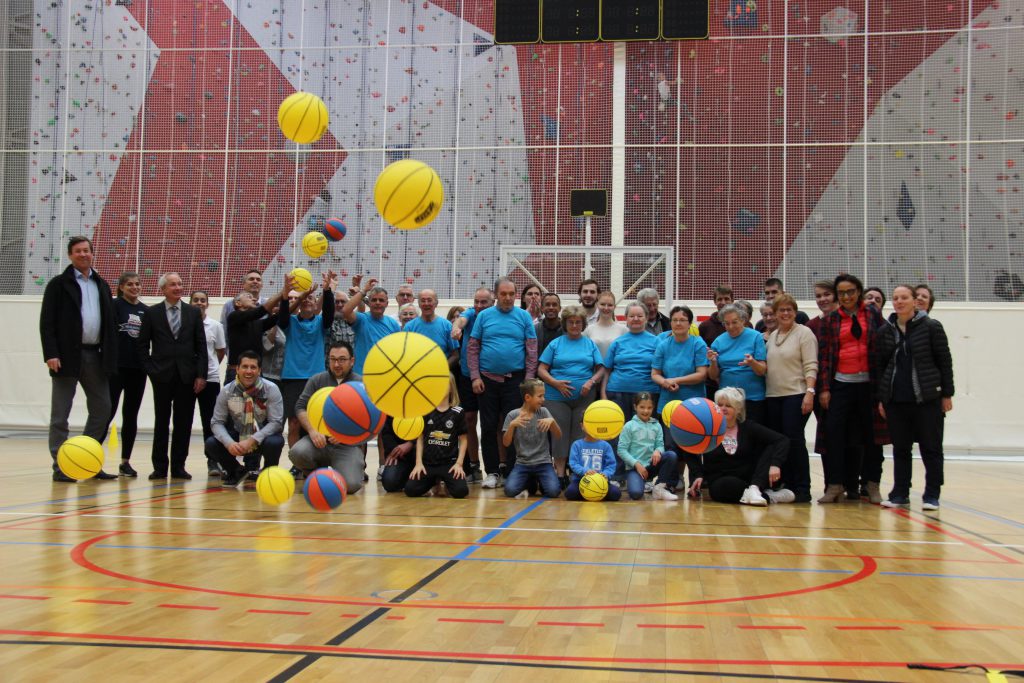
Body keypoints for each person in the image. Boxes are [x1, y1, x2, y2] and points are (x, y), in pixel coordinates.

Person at [40, 236, 118, 482]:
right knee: (60, 414)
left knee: (103, 408)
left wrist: (110, 356)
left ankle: (86, 460)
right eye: (78, 251)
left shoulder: (102, 284)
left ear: (92, 253)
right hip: (66, 357)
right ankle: (60, 466)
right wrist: (51, 353)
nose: (83, 254)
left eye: (86, 250)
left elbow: (110, 325)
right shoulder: (58, 284)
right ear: (70, 255)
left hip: (96, 355)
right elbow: (47, 322)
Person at [876, 285, 954, 510]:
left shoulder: (931, 327)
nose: (899, 302)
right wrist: (882, 398)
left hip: (927, 398)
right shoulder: (885, 331)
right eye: (895, 298)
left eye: (904, 298)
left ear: (914, 301)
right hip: (896, 400)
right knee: (900, 448)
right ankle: (900, 493)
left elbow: (944, 361)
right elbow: (881, 367)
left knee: (931, 448)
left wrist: (947, 393)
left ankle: (931, 495)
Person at [816, 274, 888, 504]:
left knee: (872, 438)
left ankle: (872, 484)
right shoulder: (831, 320)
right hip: (841, 386)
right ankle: (835, 485)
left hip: (869, 386)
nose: (846, 297)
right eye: (842, 293)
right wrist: (825, 388)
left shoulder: (873, 314)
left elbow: (883, 346)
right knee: (835, 435)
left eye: (850, 292)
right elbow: (825, 357)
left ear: (858, 291)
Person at [136, 272, 207, 480]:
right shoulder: (152, 313)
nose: (178, 287)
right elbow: (142, 346)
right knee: (161, 422)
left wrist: (201, 375)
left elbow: (201, 347)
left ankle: (178, 466)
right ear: (163, 289)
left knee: (183, 423)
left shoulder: (193, 313)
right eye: (173, 284)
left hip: (187, 376)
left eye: (180, 283)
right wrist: (150, 369)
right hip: (162, 376)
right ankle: (159, 466)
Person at [468, 277, 538, 488]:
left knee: (513, 427)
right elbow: (473, 348)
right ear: (496, 295)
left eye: (511, 294)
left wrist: (528, 380)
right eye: (503, 294)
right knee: (488, 427)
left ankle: (512, 471)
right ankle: (491, 472)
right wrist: (475, 376)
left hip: (515, 381)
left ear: (516, 295)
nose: (507, 298)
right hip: (486, 381)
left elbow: (532, 351)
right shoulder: (484, 316)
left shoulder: (524, 317)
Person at [684, 387, 791, 505]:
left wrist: (775, 464)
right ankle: (767, 497)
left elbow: (782, 440)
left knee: (770, 446)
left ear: (738, 409)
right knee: (726, 486)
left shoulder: (748, 427)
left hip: (749, 480)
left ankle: (755, 490)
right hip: (719, 482)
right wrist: (698, 475)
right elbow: (687, 447)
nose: (723, 409)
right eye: (720, 405)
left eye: (728, 406)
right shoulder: (708, 429)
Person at [537, 305, 604, 484]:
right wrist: (555, 383)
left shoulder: (590, 344)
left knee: (579, 436)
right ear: (565, 324)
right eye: (571, 322)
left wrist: (591, 382)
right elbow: (542, 369)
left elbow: (600, 369)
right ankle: (560, 474)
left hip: (584, 397)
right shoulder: (555, 344)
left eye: (578, 322)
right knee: (559, 435)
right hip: (556, 397)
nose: (574, 325)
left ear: (583, 324)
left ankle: (576, 472)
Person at [288, 341, 365, 494]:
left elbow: (372, 422)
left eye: (342, 359)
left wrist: (347, 436)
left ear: (352, 361)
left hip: (346, 445)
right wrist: (312, 431)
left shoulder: (361, 384)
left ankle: (346, 470)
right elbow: (300, 407)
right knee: (297, 453)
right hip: (318, 442)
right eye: (333, 359)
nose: (337, 364)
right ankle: (315, 473)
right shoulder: (317, 380)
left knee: (350, 485)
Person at [763, 293, 818, 503]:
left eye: (789, 310)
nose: (785, 313)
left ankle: (802, 488)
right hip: (773, 396)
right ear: (775, 314)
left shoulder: (804, 334)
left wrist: (809, 393)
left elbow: (811, 364)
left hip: (796, 395)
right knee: (780, 443)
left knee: (794, 441)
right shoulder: (772, 337)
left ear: (795, 312)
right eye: (781, 310)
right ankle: (785, 485)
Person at [205, 351, 284, 487]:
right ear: (237, 369)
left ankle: (268, 473)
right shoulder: (227, 391)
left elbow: (276, 422)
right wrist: (229, 443)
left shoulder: (271, 389)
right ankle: (236, 471)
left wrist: (253, 439)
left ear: (259, 370)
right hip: (238, 434)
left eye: (253, 367)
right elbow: (216, 422)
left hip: (262, 436)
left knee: (275, 442)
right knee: (211, 443)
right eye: (245, 367)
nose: (249, 371)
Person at [277, 271, 335, 448]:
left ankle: (316, 460)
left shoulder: (320, 323)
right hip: (292, 378)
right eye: (305, 299)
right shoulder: (290, 322)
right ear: (300, 304)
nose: (308, 301)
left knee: (317, 420)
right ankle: (296, 462)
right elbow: (282, 315)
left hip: (316, 378)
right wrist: (287, 294)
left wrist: (326, 291)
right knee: (294, 423)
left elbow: (329, 313)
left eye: (312, 299)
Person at [450, 287, 495, 483]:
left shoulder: (495, 317)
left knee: (491, 423)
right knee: (468, 418)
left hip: (489, 377)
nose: (478, 305)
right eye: (476, 301)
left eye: (483, 302)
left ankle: (497, 467)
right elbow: (461, 320)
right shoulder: (470, 313)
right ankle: (474, 466)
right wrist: (456, 327)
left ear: (492, 303)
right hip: (468, 376)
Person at [107, 271, 147, 477]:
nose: (134, 287)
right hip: (116, 368)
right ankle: (93, 458)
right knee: (107, 412)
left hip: (138, 371)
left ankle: (125, 462)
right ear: (121, 287)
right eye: (130, 284)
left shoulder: (145, 311)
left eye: (137, 284)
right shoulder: (113, 306)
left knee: (130, 416)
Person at [405, 374, 469, 499]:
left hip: (448, 464)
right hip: (428, 464)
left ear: (451, 388)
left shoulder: (457, 412)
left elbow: (464, 440)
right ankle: (433, 481)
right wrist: (418, 463)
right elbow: (420, 438)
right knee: (410, 490)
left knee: (461, 492)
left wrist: (459, 464)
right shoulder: (426, 410)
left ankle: (444, 481)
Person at [707, 303, 767, 424]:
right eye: (726, 323)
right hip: (727, 401)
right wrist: (713, 362)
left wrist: (752, 363)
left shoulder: (755, 337)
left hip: (752, 398)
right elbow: (713, 376)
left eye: (734, 322)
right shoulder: (718, 342)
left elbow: (762, 370)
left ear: (743, 320)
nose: (730, 327)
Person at [501, 379, 561, 498]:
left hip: (543, 463)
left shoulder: (543, 412)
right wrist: (512, 426)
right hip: (522, 464)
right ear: (528, 397)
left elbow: (558, 435)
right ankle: (531, 482)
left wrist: (552, 422)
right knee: (510, 491)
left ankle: (537, 481)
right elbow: (506, 443)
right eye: (540, 396)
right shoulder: (512, 415)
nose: (543, 399)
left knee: (553, 492)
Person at [602, 303, 660, 421]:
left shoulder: (656, 341)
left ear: (646, 318)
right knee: (618, 434)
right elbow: (606, 371)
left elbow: (661, 370)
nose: (635, 319)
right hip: (617, 393)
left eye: (639, 316)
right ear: (626, 318)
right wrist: (603, 395)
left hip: (647, 394)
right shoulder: (617, 342)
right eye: (631, 316)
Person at [190, 290, 226, 477]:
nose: (199, 303)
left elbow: (220, 351)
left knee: (210, 422)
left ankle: (212, 461)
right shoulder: (184, 323)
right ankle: (179, 463)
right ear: (190, 303)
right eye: (196, 300)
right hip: (187, 378)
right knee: (184, 421)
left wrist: (207, 370)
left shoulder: (215, 326)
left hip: (210, 379)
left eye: (203, 300)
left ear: (207, 304)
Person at [618, 393, 679, 500]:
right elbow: (621, 450)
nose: (646, 411)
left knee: (671, 455)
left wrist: (657, 451)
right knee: (636, 494)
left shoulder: (656, 425)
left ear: (653, 408)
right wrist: (637, 464)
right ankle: (637, 482)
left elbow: (660, 445)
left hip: (651, 465)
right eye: (642, 407)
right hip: (635, 468)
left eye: (649, 407)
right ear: (635, 407)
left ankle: (659, 488)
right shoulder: (629, 426)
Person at [225, 281, 287, 382]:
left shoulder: (257, 322)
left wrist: (295, 298)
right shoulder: (234, 316)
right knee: (236, 399)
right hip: (237, 372)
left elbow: (279, 317)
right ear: (238, 303)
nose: (253, 299)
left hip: (256, 372)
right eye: (249, 297)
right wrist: (282, 292)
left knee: (258, 398)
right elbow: (261, 311)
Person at [652, 305, 709, 410]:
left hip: (694, 404)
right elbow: (655, 374)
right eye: (675, 320)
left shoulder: (698, 344)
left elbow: (702, 375)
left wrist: (675, 380)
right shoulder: (663, 345)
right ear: (671, 323)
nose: (678, 323)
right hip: (668, 404)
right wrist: (665, 383)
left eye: (682, 320)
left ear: (690, 324)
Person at [343, 276, 400, 376]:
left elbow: (398, 351)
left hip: (385, 375)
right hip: (361, 375)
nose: (377, 303)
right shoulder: (361, 319)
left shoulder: (393, 323)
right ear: (369, 302)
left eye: (381, 300)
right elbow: (346, 311)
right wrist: (364, 290)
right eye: (374, 300)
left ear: (386, 303)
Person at [564, 424, 622, 502]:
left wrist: (605, 474)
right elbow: (573, 463)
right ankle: (592, 494)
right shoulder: (577, 444)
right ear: (582, 426)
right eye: (588, 424)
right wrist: (585, 471)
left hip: (601, 482)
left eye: (594, 424)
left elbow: (611, 464)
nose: (591, 427)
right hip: (580, 480)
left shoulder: (605, 445)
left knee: (616, 494)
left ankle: (593, 494)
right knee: (570, 493)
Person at [404, 289, 459, 369]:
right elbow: (405, 354)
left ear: (436, 303)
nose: (426, 304)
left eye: (429, 300)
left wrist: (441, 369)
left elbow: (455, 355)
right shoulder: (409, 327)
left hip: (441, 374)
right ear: (419, 304)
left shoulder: (447, 326)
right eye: (423, 301)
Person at [698, 285, 734, 398]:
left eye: (727, 299)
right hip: (711, 384)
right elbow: (702, 355)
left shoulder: (743, 325)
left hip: (733, 381)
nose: (723, 302)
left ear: (732, 300)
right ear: (714, 301)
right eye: (719, 299)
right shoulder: (705, 326)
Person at [219, 269, 264, 358]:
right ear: (243, 284)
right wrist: (229, 353)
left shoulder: (267, 304)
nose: (255, 281)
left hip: (262, 358)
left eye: (258, 280)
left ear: (262, 285)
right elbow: (224, 331)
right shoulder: (229, 305)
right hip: (236, 359)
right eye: (251, 279)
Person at [584, 290, 626, 359]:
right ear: (597, 305)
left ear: (614, 307)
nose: (606, 308)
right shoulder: (588, 330)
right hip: (594, 369)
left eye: (610, 305)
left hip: (616, 369)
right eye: (603, 304)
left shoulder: (623, 330)